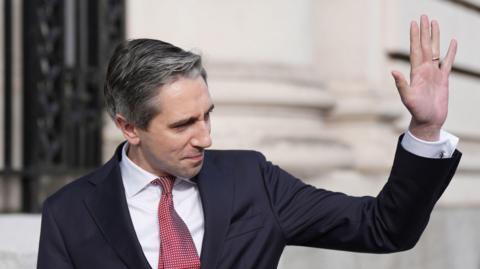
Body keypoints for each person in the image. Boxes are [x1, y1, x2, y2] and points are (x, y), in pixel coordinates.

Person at [37, 15, 461, 269]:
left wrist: (424, 129)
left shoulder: (252, 178)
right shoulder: (69, 213)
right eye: (183, 124)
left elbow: (384, 228)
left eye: (207, 115)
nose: (205, 137)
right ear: (129, 127)